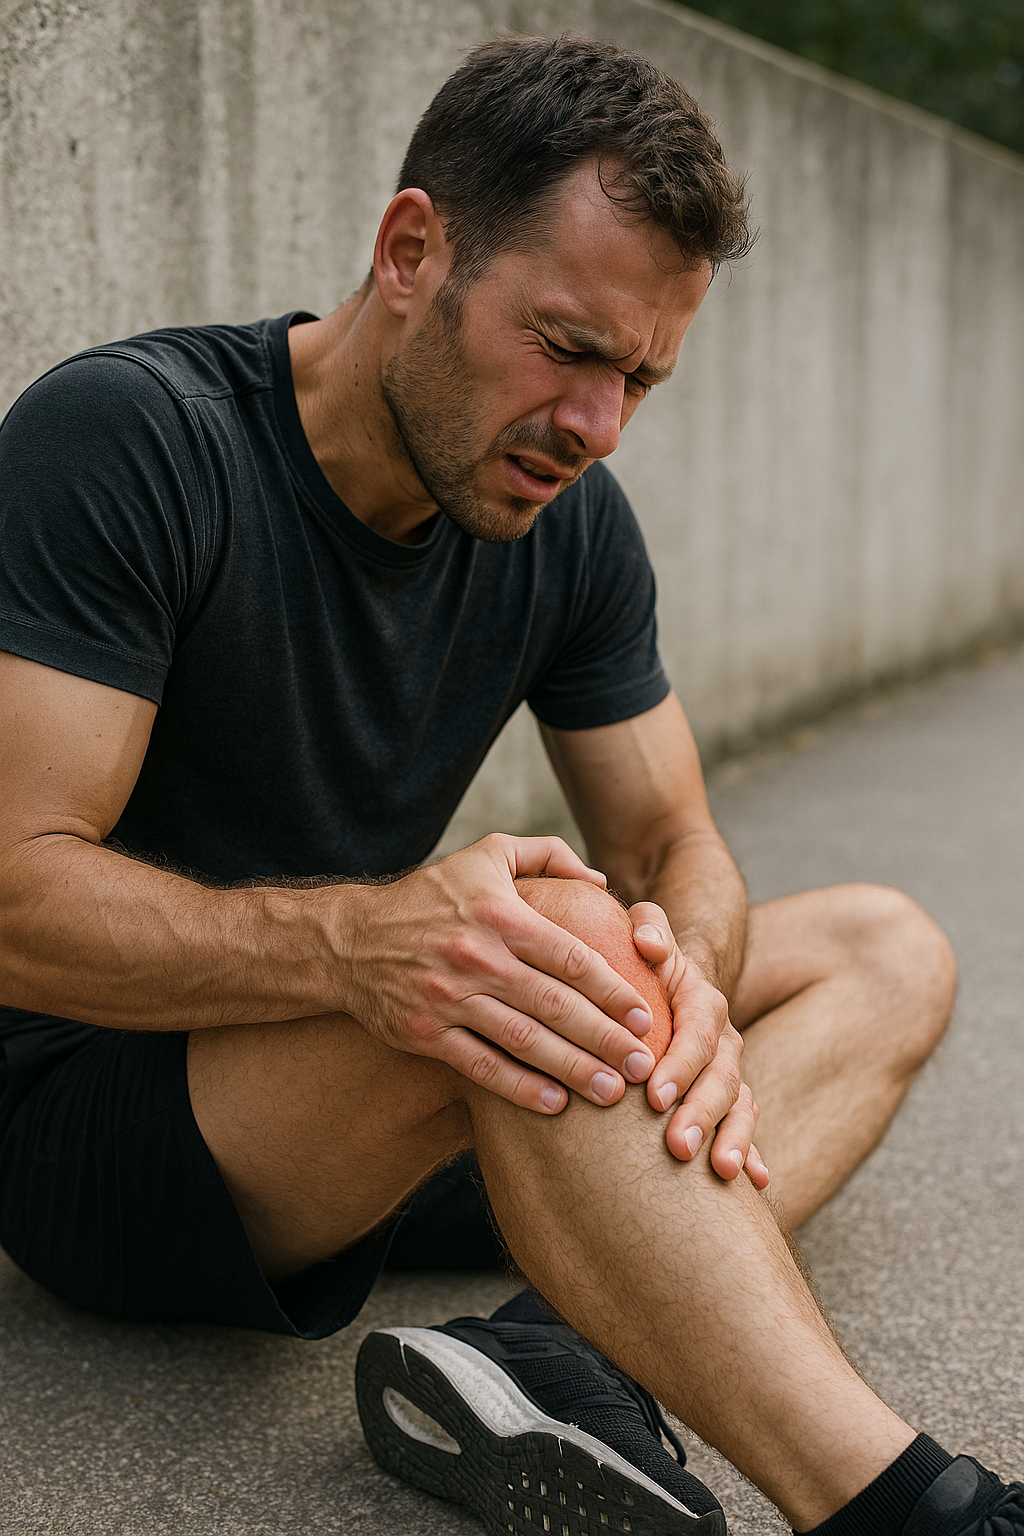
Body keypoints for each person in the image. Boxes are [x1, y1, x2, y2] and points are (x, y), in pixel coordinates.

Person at [0, 31, 1018, 1536]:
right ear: (414, 249)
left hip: (410, 1087)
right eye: (570, 346)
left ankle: (550, 1348)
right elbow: (15, 896)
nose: (598, 427)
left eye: (642, 381)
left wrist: (691, 992)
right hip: (112, 1135)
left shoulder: (565, 521)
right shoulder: (136, 443)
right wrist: (365, 947)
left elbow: (675, 833)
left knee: (880, 947)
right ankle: (902, 1509)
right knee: (539, 946)